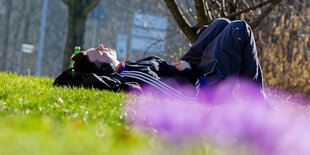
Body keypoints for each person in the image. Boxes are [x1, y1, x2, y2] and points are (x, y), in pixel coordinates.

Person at [53, 18, 263, 101]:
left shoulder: (130, 66)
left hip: (186, 70)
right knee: (238, 28)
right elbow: (175, 93)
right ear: (106, 66)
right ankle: (256, 102)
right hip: (204, 86)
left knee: (220, 24)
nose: (101, 46)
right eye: (98, 53)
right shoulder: (128, 75)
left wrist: (185, 65)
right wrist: (191, 71)